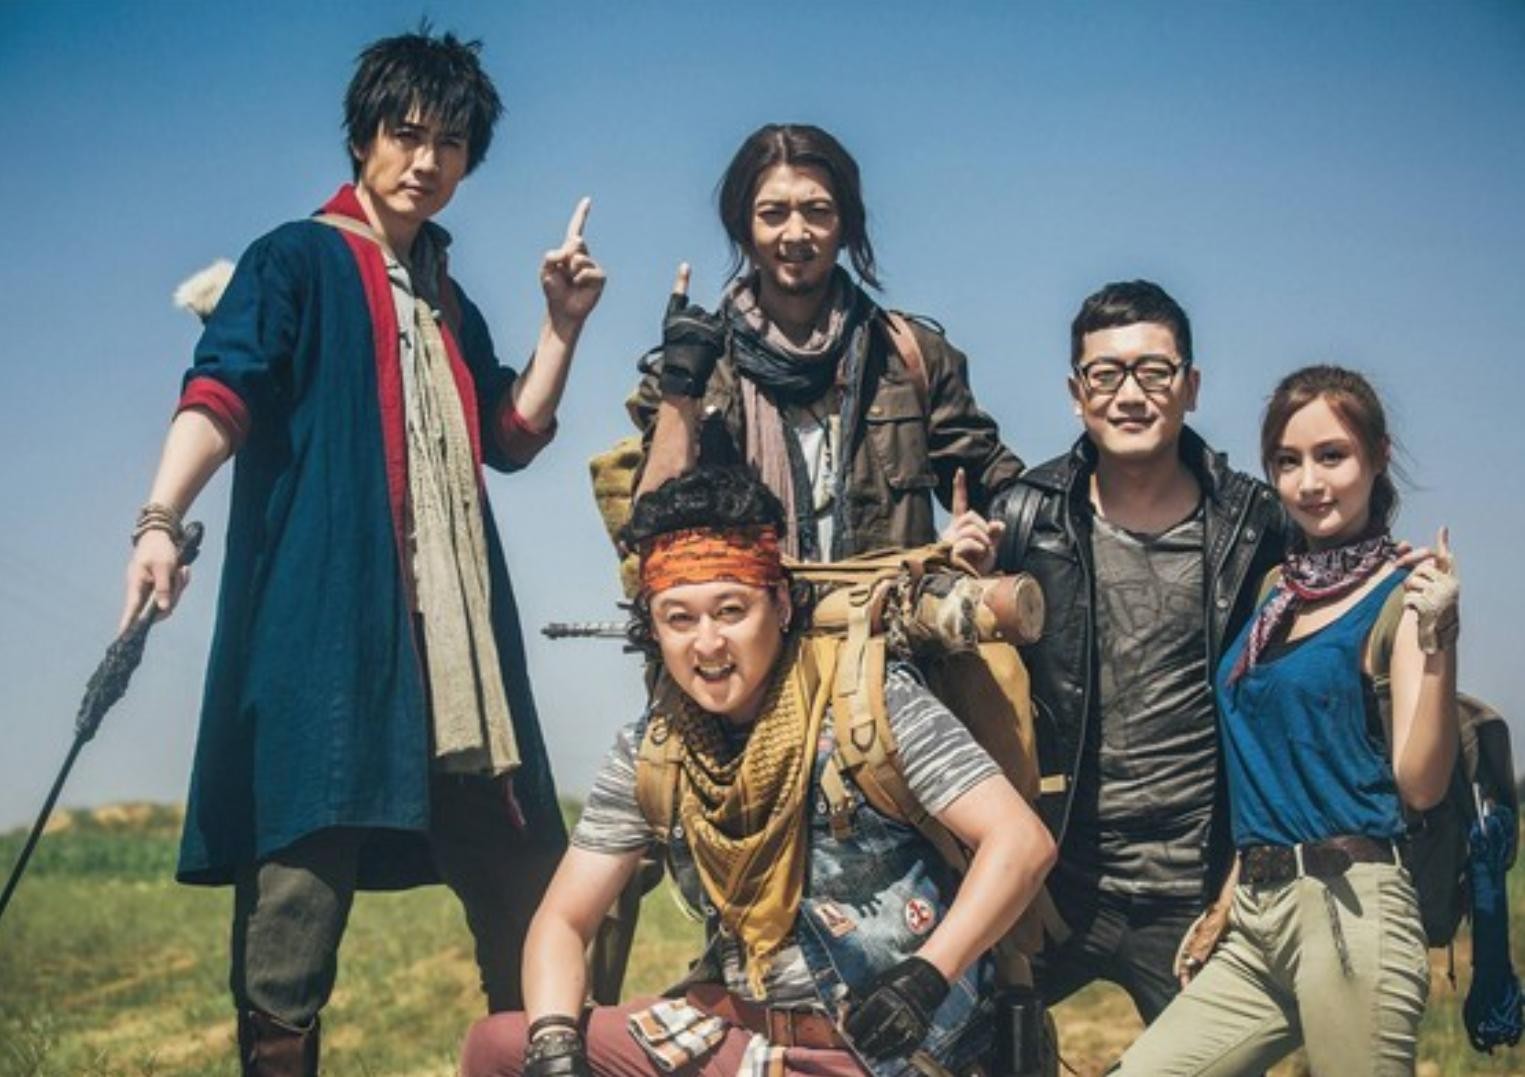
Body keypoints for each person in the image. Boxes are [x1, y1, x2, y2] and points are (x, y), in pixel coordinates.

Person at [119, 28, 604, 1074]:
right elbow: (222, 389)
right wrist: (160, 519)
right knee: (294, 905)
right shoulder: (294, 258)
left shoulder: (445, 296)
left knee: (529, 888)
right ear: (362, 136)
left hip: (458, 660)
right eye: (405, 133)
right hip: (328, 640)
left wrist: (561, 326)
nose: (425, 161)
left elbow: (508, 434)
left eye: (450, 144)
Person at [460, 467, 1056, 1077]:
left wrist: (927, 976)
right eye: (679, 619)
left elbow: (1019, 842)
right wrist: (554, 1044)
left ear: (780, 604)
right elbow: (562, 920)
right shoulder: (656, 747)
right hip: (741, 1035)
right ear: (652, 627)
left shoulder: (867, 704)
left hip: (882, 1050)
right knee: (497, 1048)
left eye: (731, 611)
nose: (708, 644)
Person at [956, 281, 1290, 1023]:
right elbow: (972, 686)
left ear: (1190, 387)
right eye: (1105, 374)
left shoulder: (1253, 523)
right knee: (967, 1051)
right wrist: (962, 585)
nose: (1130, 395)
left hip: (1194, 886)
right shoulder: (1025, 515)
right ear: (1076, 393)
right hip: (1055, 876)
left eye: (1154, 371)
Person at [1114, 364, 1459, 1074]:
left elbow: (1420, 784)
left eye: (1331, 455)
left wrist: (1438, 637)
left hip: (1350, 911)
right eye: (1287, 461)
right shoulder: (1277, 592)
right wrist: (1226, 901)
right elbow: (1268, 772)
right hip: (1256, 914)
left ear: (1377, 456)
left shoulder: (1403, 594)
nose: (1309, 482)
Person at [631, 123, 1022, 561]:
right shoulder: (699, 366)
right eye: (773, 213)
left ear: (846, 225)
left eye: (817, 211)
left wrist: (976, 541)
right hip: (746, 601)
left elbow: (1000, 487)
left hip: (887, 603)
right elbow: (651, 529)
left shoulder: (910, 356)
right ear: (744, 228)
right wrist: (681, 384)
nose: (796, 233)